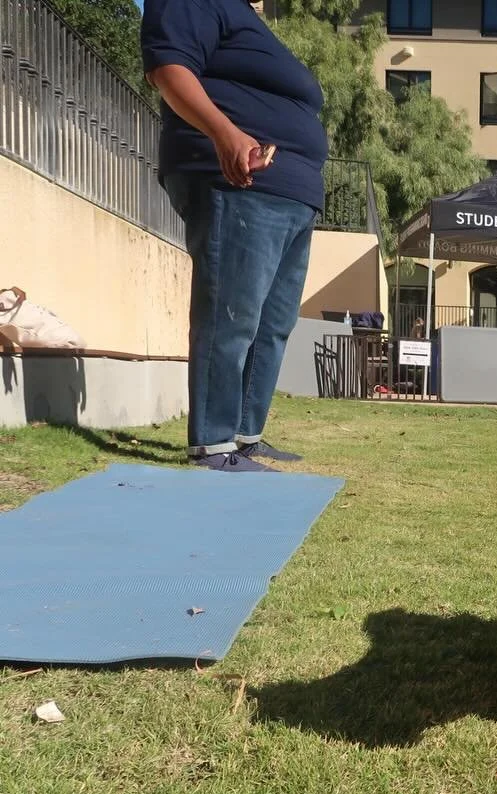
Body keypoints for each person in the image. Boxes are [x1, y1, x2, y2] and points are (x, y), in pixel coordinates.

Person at [142, 0, 327, 472]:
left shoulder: (243, 15)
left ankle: (245, 437)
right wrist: (227, 135)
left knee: (272, 324)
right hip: (238, 179)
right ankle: (213, 444)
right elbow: (169, 68)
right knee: (232, 315)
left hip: (289, 191)